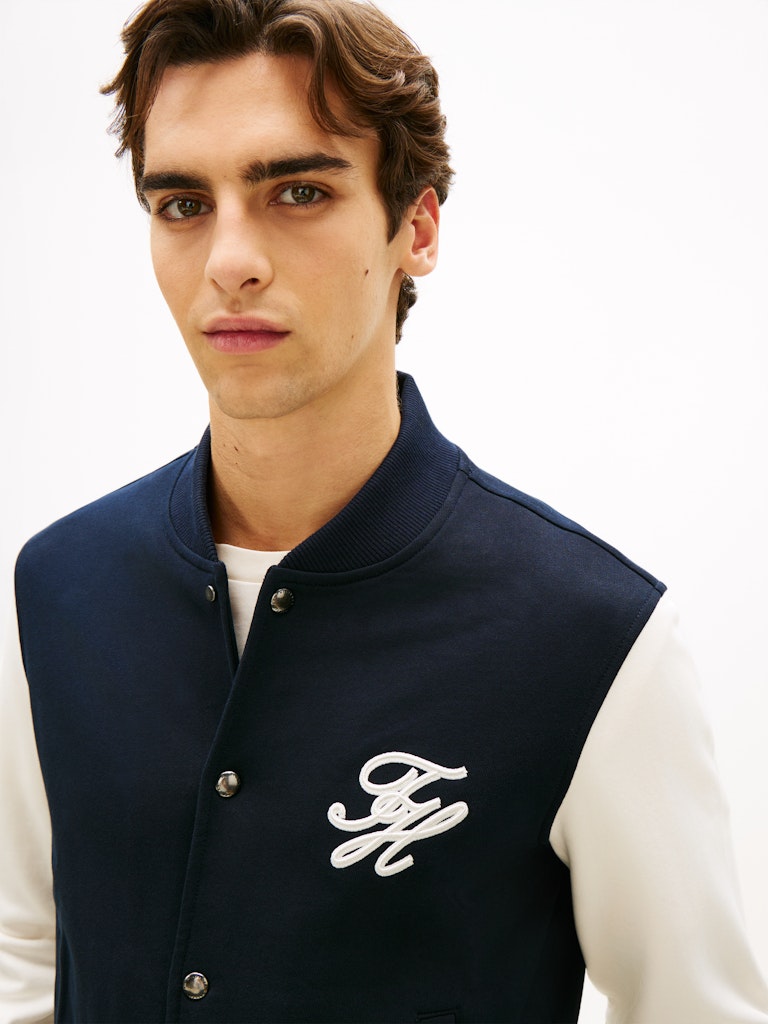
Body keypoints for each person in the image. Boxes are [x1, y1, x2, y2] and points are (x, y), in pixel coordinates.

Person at [1, 0, 767, 1021]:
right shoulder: (57, 595)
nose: (230, 259)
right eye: (183, 204)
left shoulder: (594, 639)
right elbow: (23, 959)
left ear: (417, 227)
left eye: (298, 191)